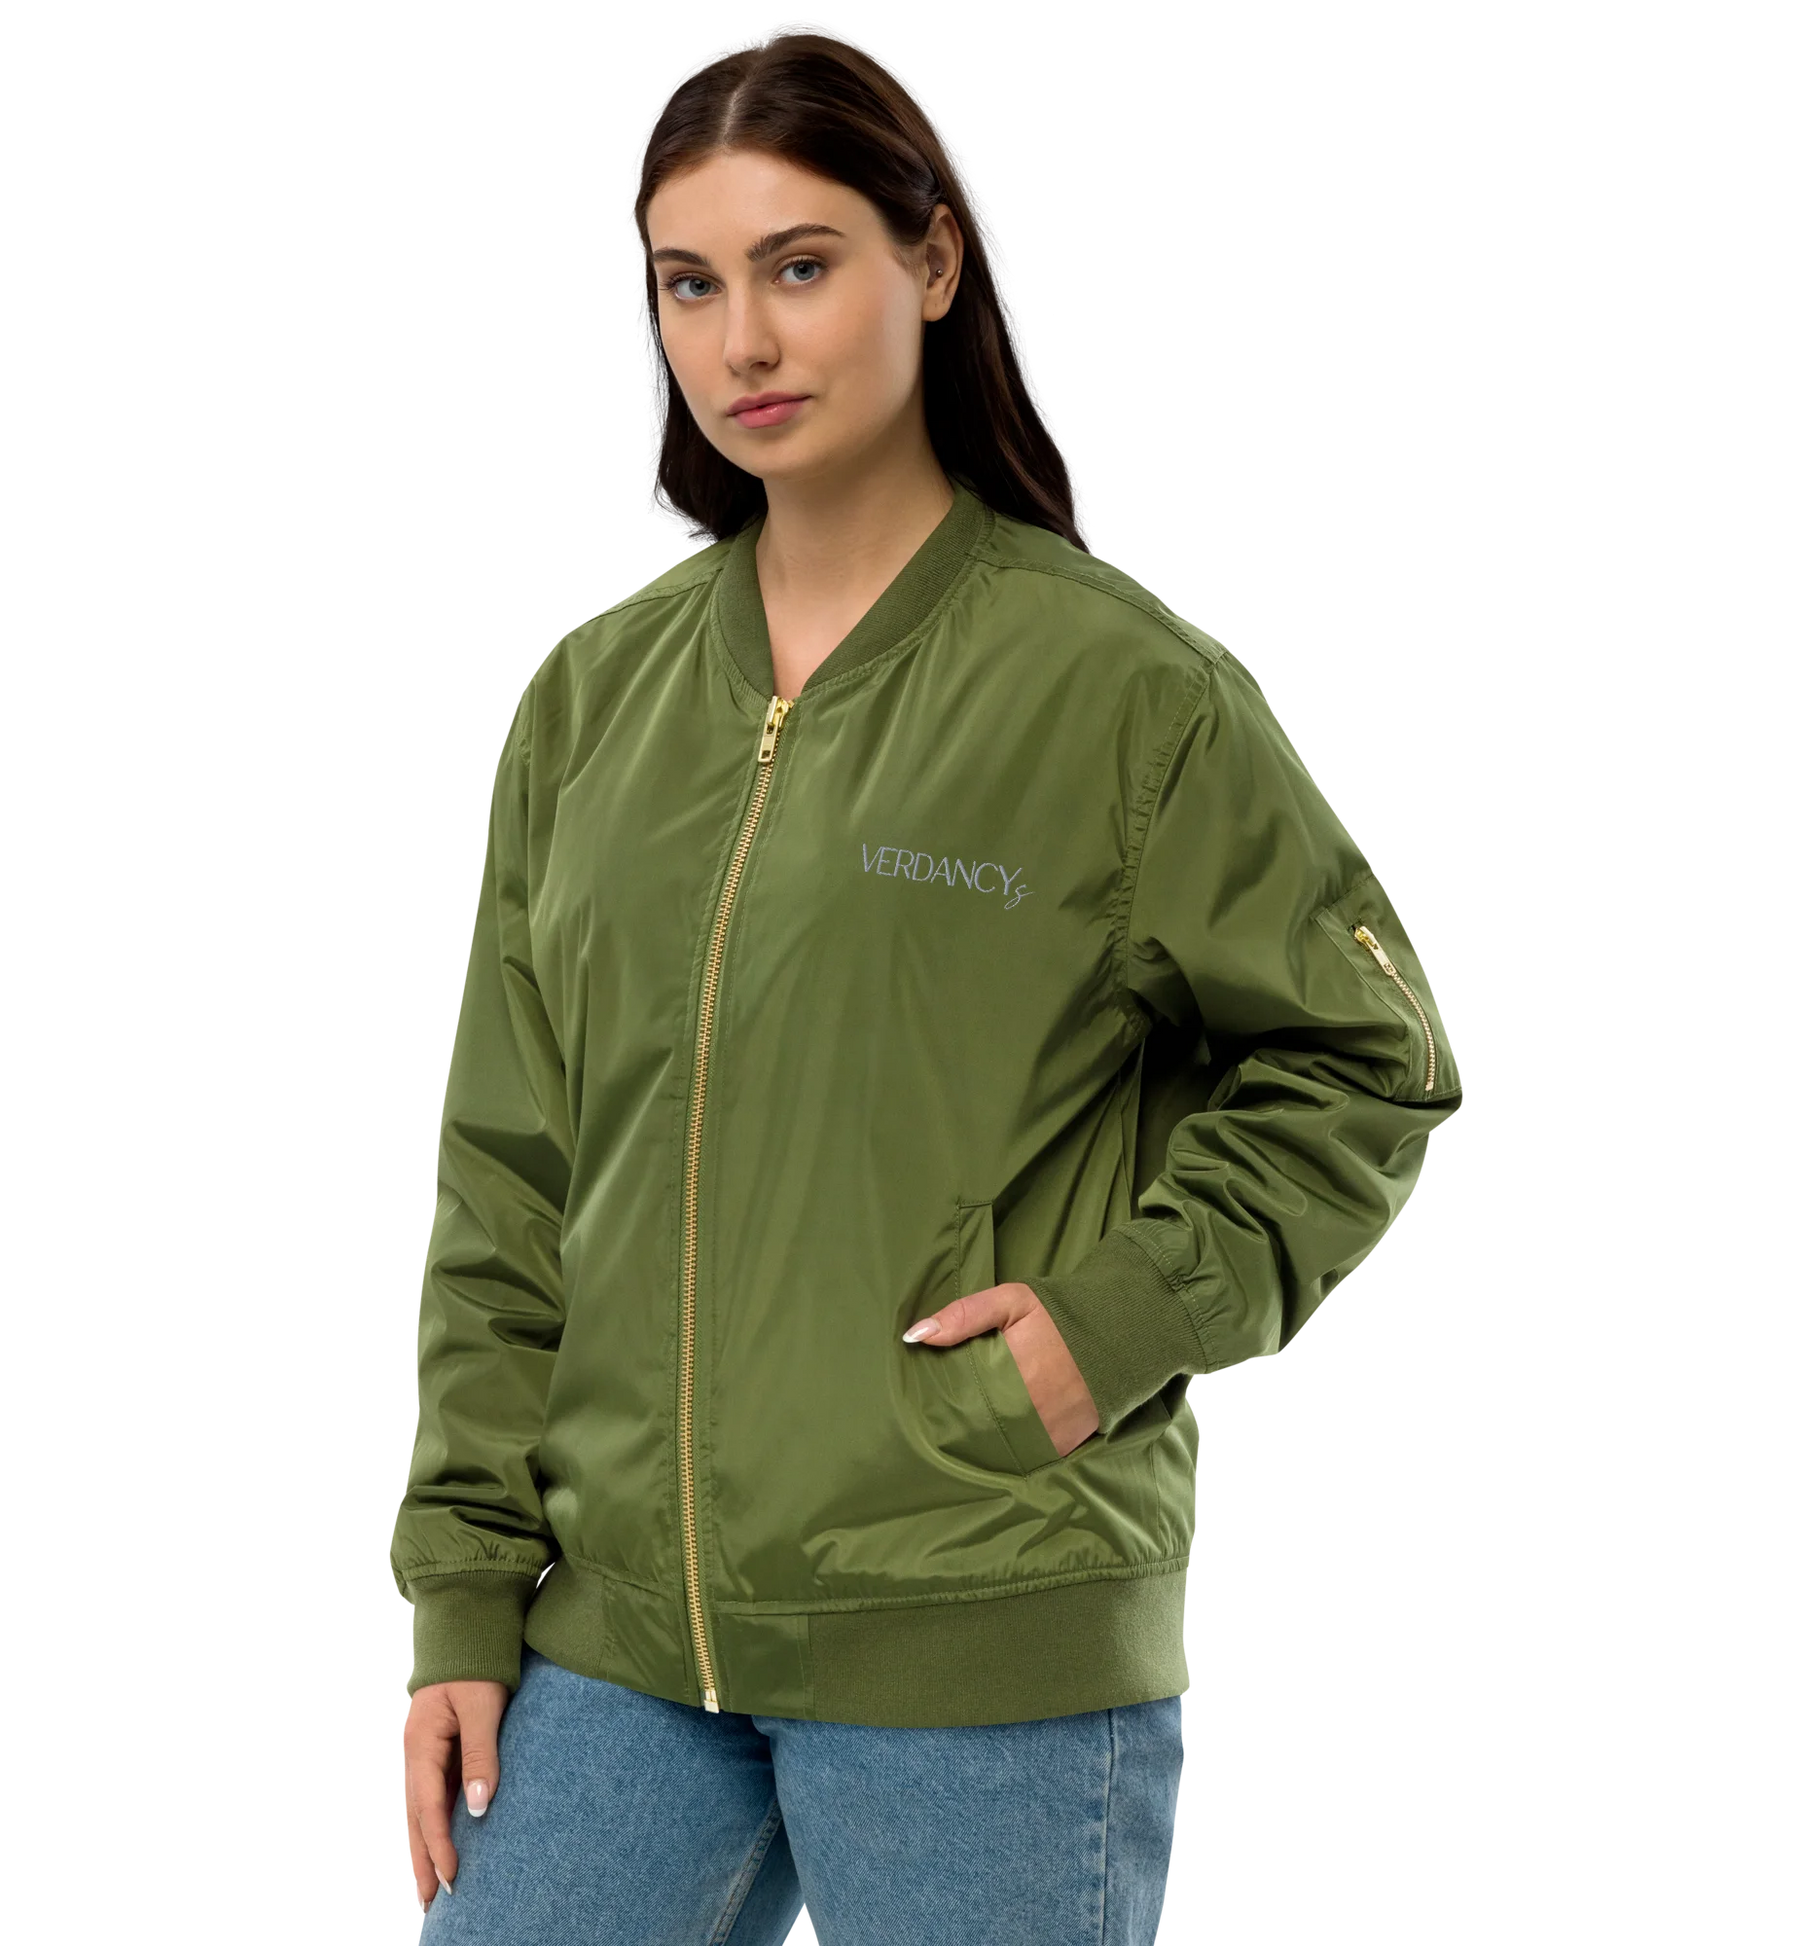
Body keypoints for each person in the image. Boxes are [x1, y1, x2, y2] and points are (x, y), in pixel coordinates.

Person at [391, 22, 1467, 1945]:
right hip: (620, 1636)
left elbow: (1368, 1059)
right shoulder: (589, 701)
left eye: (800, 265)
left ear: (935, 260)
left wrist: (1116, 1319)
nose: (743, 340)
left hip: (983, 1610)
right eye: (690, 283)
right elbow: (507, 1183)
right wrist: (460, 1594)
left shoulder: (1120, 689)